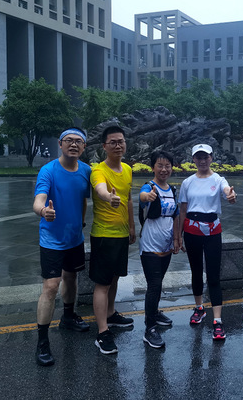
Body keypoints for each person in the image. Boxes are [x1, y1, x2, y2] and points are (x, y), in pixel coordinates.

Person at [32, 127, 91, 367]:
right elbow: (38, 200)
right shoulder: (48, 170)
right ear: (60, 143)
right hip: (51, 239)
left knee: (71, 277)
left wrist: (81, 223)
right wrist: (43, 211)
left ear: (84, 147)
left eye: (78, 141)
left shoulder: (86, 171)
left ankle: (68, 317)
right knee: (50, 286)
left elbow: (84, 199)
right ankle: (42, 341)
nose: (73, 144)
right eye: (69, 140)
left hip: (74, 238)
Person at [177, 143, 237, 340]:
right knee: (196, 271)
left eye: (206, 157)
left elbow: (227, 190)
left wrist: (230, 194)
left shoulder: (218, 179)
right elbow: (183, 210)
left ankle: (217, 320)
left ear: (211, 157)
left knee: (213, 275)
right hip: (191, 230)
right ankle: (199, 307)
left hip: (212, 230)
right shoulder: (187, 182)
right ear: (193, 159)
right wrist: (178, 235)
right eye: (198, 157)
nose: (202, 161)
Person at [90, 125, 136, 355]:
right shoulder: (98, 170)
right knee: (103, 283)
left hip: (121, 234)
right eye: (113, 142)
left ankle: (110, 313)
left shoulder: (127, 169)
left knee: (115, 277)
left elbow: (128, 199)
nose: (118, 145)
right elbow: (100, 190)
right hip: (104, 235)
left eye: (121, 141)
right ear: (104, 146)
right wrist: (109, 197)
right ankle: (102, 332)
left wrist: (132, 226)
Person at [139, 151, 180, 348]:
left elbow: (176, 215)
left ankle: (154, 312)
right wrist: (147, 196)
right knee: (154, 285)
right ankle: (150, 328)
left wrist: (177, 238)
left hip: (166, 244)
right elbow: (142, 196)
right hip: (150, 244)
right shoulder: (150, 186)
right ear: (153, 167)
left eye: (167, 166)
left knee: (158, 282)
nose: (164, 169)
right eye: (160, 165)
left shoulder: (172, 189)